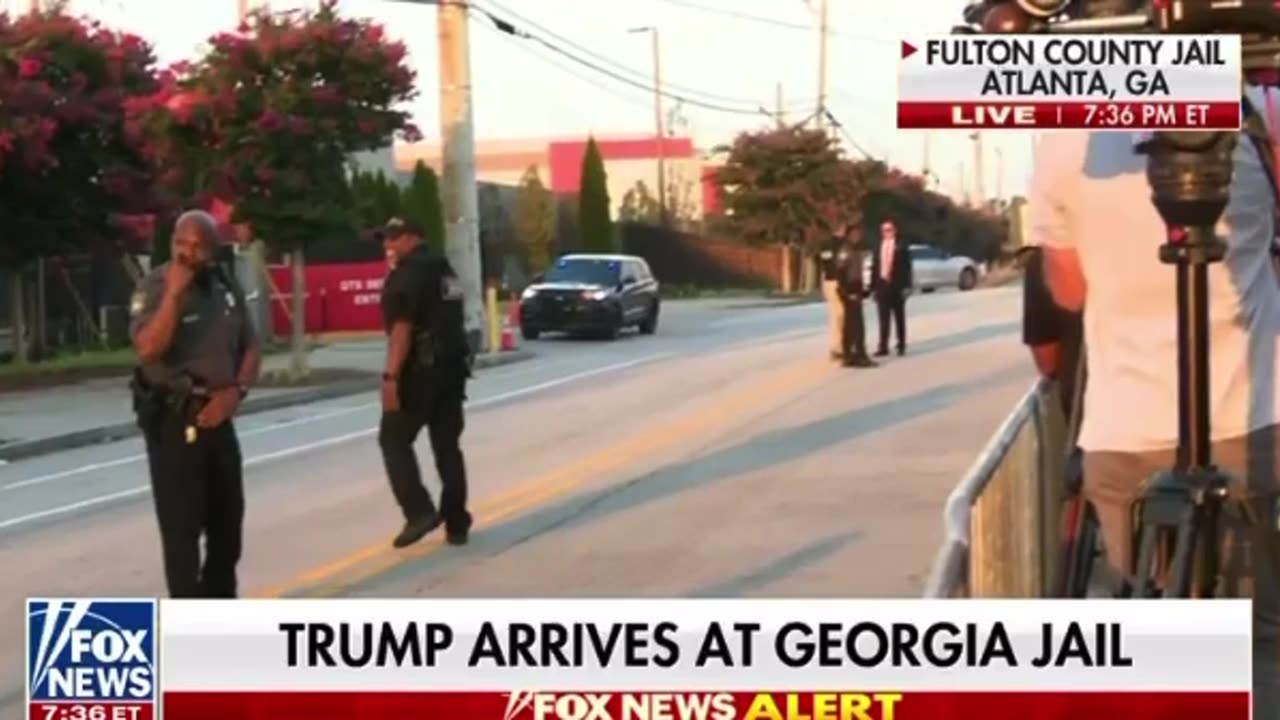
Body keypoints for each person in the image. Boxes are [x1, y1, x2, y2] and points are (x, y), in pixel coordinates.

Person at [1030, 87, 1280, 715]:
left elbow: (1067, 290)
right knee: (1261, 642)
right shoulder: (1253, 116)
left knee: (1145, 628)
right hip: (1251, 416)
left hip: (1123, 426)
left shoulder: (1067, 138)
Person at [129, 209, 260, 598]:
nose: (187, 253)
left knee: (228, 527)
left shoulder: (225, 286)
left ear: (214, 250)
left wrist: (236, 392)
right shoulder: (155, 287)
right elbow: (148, 348)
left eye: (197, 246)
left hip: (220, 419)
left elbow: (251, 347)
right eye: (180, 244)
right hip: (175, 421)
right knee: (183, 535)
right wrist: (174, 293)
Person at [377, 218, 474, 548]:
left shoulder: (407, 274)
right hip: (452, 369)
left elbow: (402, 329)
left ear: (412, 238)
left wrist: (391, 376)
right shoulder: (445, 270)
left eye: (394, 239)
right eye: (386, 239)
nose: (388, 245)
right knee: (447, 447)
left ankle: (418, 511)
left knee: (392, 439)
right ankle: (457, 523)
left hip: (420, 371)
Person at [870, 218, 913, 357]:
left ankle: (901, 344)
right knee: (883, 318)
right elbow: (874, 267)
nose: (886, 232)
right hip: (882, 284)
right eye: (884, 230)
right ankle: (883, 346)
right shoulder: (878, 246)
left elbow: (907, 267)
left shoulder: (902, 246)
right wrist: (873, 287)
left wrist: (907, 286)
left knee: (899, 316)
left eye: (889, 229)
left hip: (897, 285)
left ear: (895, 230)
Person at [836, 227, 876, 368]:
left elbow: (866, 270)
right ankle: (859, 355)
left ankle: (849, 355)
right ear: (848, 236)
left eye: (859, 234)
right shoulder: (845, 250)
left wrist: (866, 289)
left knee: (851, 323)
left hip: (858, 287)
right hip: (849, 288)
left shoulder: (861, 249)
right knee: (856, 324)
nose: (857, 236)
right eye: (853, 234)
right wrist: (847, 291)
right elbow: (840, 272)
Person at [818, 227, 846, 361]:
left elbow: (823, 264)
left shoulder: (827, 245)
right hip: (836, 282)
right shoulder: (839, 244)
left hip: (831, 282)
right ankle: (839, 347)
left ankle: (839, 346)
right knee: (840, 315)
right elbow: (826, 264)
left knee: (837, 316)